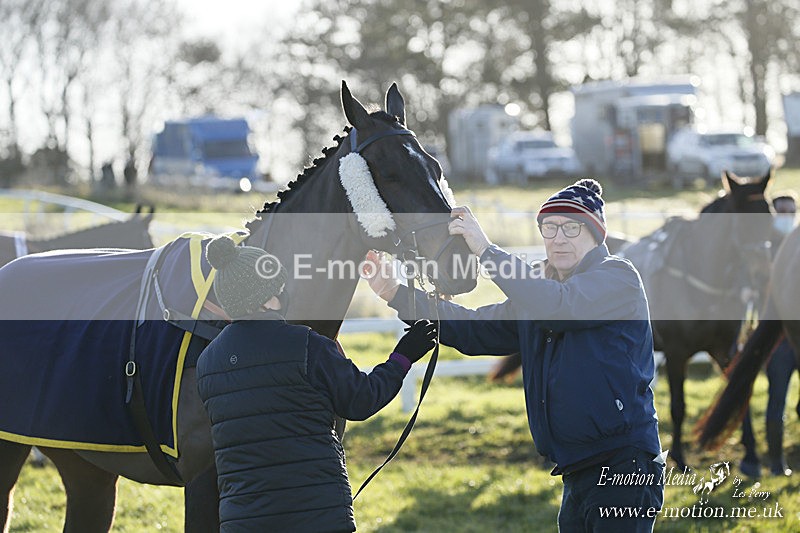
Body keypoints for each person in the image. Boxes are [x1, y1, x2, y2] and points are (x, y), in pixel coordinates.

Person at [366, 179, 664, 532]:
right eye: (549, 227)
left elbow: (559, 306)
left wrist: (486, 250)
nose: (558, 237)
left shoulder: (618, 278)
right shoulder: (540, 295)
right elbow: (476, 327)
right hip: (577, 467)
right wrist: (396, 293)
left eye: (572, 227)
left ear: (596, 235)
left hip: (622, 463)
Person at [196, 235, 437, 533]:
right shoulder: (307, 345)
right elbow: (361, 400)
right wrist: (403, 356)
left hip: (244, 520)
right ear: (266, 297)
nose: (284, 293)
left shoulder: (207, 362)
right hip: (316, 515)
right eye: (279, 287)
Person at [764, 193, 797, 476]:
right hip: (778, 341)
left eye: (792, 211)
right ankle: (776, 462)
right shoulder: (763, 248)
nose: (787, 216)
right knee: (776, 400)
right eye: (781, 211)